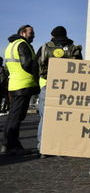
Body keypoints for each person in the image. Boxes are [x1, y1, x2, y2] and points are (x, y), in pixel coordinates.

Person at [36, 26, 82, 157]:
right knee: (64, 119)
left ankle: (42, 148)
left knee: (44, 118)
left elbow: (36, 65)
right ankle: (61, 148)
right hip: (68, 88)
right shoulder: (74, 48)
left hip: (48, 84)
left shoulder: (45, 47)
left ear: (53, 35)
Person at [1, 25, 39, 155]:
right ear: (23, 33)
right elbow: (27, 64)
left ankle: (7, 145)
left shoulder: (10, 45)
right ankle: (12, 145)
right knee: (16, 117)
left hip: (14, 84)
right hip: (24, 85)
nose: (33, 35)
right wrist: (37, 73)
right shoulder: (23, 44)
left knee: (13, 116)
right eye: (31, 33)